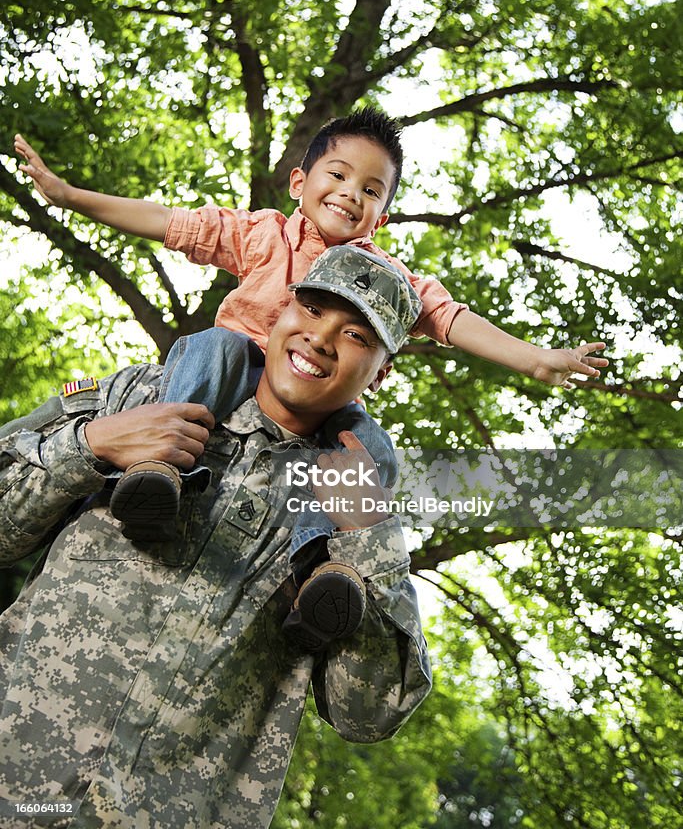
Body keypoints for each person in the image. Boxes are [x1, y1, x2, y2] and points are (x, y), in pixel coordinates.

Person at [14, 107, 608, 645]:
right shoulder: (265, 234)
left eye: (372, 190)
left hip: (316, 404)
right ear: (300, 182)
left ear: (384, 212)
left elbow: (451, 319)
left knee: (367, 443)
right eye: (339, 175)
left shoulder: (386, 278)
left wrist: (534, 357)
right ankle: (162, 469)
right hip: (236, 366)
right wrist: (70, 196)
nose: (352, 194)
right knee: (213, 346)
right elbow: (170, 223)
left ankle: (317, 574)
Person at [0, 246, 431, 829]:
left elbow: (371, 714)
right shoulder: (148, 396)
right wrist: (91, 444)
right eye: (310, 308)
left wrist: (369, 540)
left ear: (381, 372)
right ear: (279, 313)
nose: (320, 339)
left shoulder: (359, 505)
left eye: (355, 334)